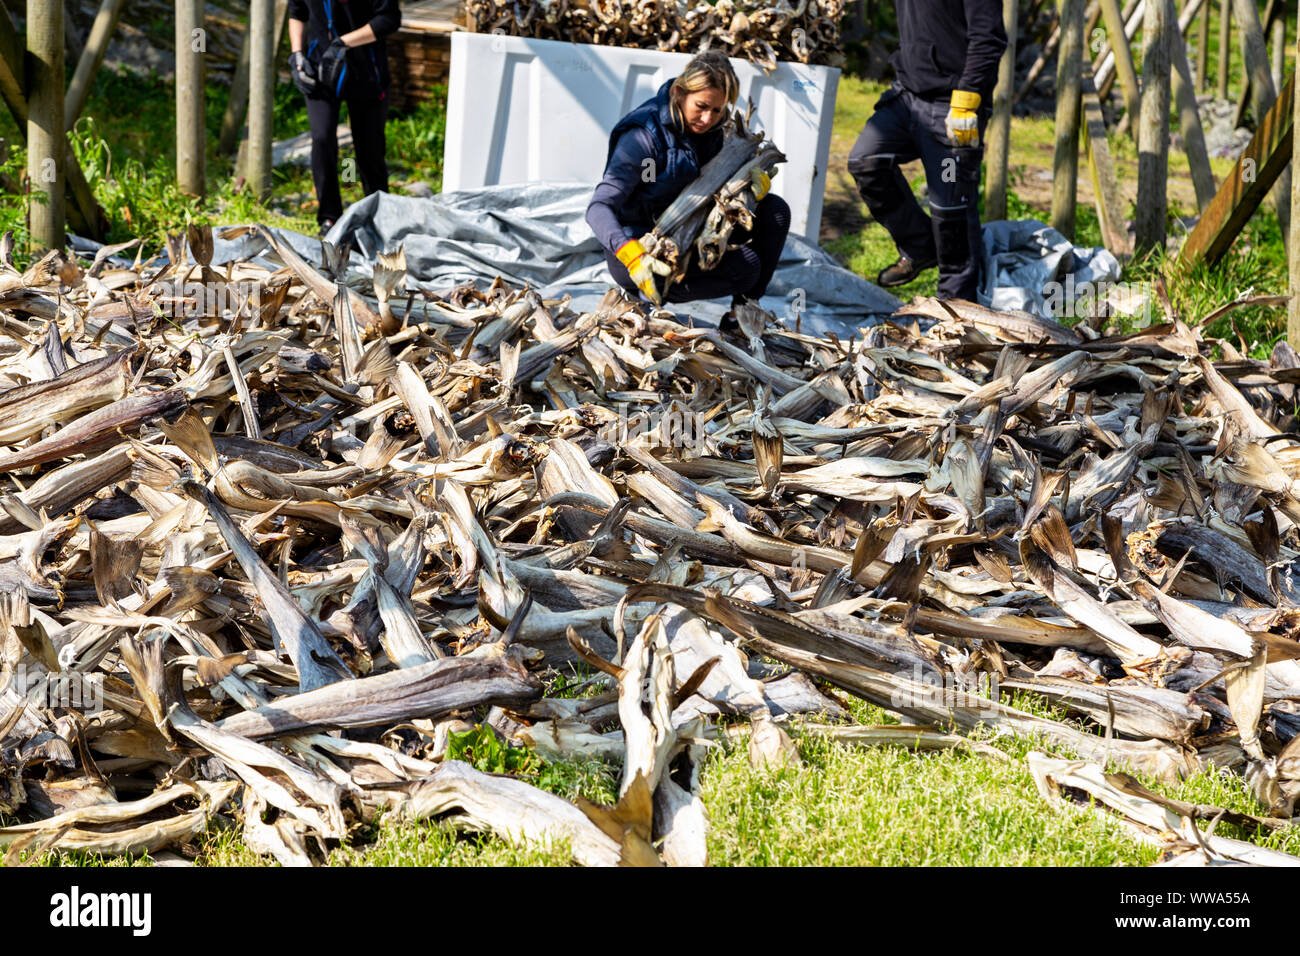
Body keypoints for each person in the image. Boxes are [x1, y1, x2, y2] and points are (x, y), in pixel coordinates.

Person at [586, 51, 790, 311]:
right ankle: (641, 296)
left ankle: (742, 316)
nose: (708, 119)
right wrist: (631, 254)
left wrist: (749, 188)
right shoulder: (643, 137)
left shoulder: (717, 129)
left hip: (692, 229)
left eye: (717, 110)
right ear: (679, 93)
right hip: (641, 242)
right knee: (746, 268)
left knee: (775, 212)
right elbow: (598, 207)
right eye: (701, 107)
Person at [846, 0, 1007, 300]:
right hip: (907, 95)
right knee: (866, 161)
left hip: (953, 104)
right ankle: (920, 246)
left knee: (951, 211)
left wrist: (969, 96)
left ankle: (955, 311)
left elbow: (989, 38)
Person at [286, 0, 402, 237]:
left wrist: (343, 43)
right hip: (319, 67)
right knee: (321, 137)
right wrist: (297, 55)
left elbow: (389, 19)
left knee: (369, 147)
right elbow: (297, 13)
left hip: (366, 69)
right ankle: (329, 217)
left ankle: (378, 216)